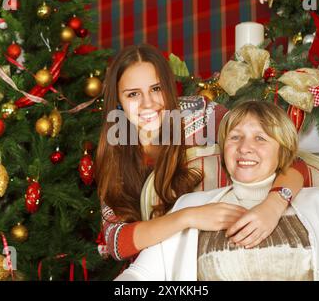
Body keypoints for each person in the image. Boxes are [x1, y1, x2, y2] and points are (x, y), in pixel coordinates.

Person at [95, 43, 307, 262]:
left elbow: (292, 160)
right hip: (159, 268)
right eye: (133, 94)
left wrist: (272, 207)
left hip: (225, 251)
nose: (148, 104)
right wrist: (188, 216)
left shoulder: (201, 115)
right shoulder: (114, 150)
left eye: (156, 89)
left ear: (168, 88)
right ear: (118, 102)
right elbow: (116, 241)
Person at [115, 100, 319, 281]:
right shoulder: (191, 206)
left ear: (282, 151)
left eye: (260, 138)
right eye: (235, 137)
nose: (245, 148)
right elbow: (141, 275)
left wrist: (273, 205)